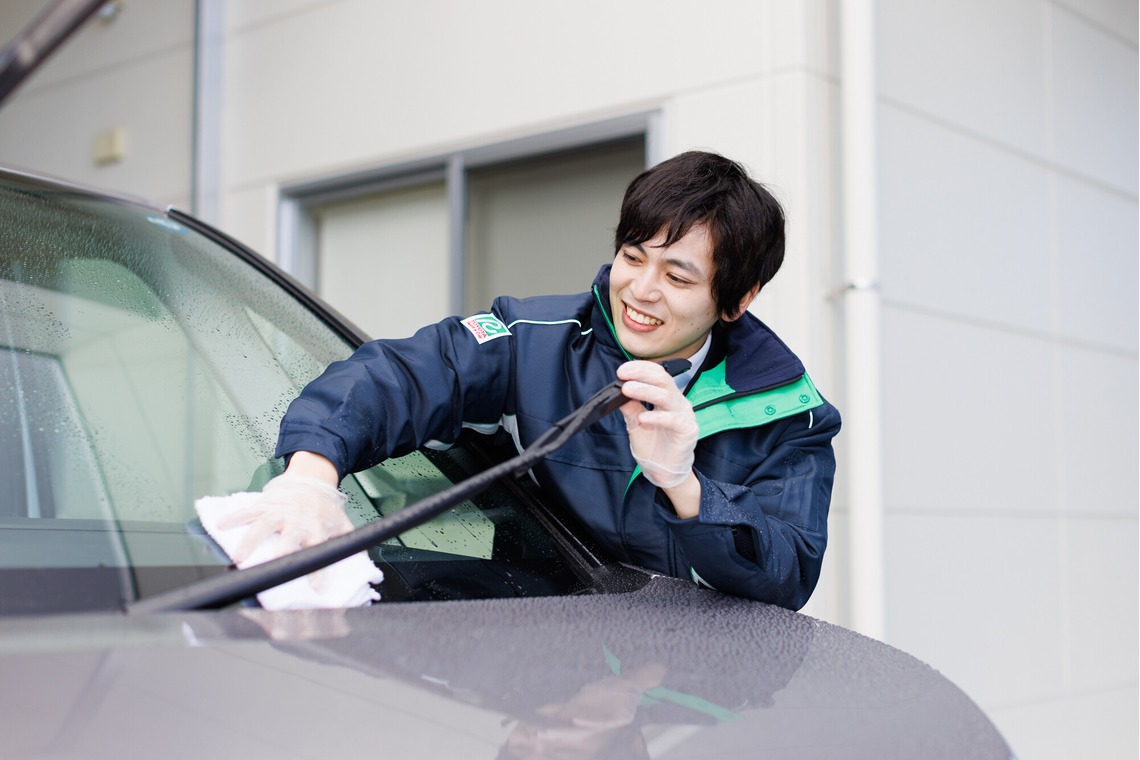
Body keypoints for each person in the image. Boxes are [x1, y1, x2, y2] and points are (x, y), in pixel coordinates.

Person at [228, 150, 841, 610]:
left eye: (678, 278)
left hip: (700, 696)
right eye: (632, 257)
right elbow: (402, 376)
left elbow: (788, 576)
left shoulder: (789, 413)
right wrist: (310, 477)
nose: (641, 290)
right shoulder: (533, 340)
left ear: (737, 299)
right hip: (545, 652)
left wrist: (685, 486)